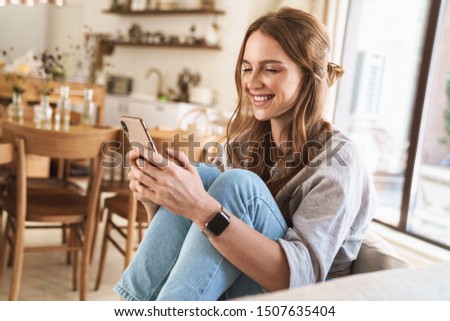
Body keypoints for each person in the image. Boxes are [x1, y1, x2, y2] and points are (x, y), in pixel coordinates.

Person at [114, 7, 377, 301]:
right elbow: (191, 246)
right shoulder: (243, 143)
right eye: (247, 68)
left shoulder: (339, 160)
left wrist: (202, 209)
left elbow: (299, 279)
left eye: (271, 69)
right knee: (202, 176)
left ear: (308, 75)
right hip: (232, 284)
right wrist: (157, 200)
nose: (252, 82)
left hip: (298, 300)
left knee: (240, 187)